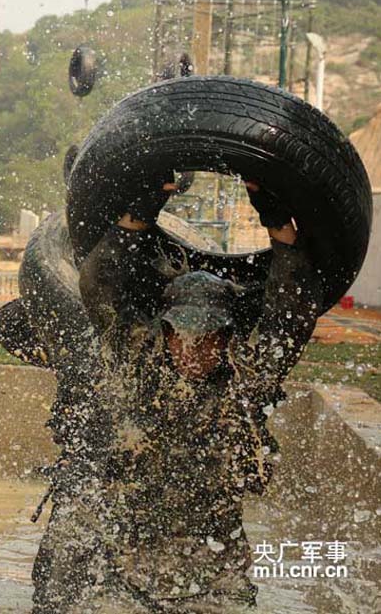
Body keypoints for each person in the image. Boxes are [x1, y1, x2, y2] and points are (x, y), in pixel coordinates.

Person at [32, 179, 322, 613]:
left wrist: (277, 221)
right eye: (182, 333)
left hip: (210, 565)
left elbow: (291, 316)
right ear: (164, 328)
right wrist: (143, 209)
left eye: (208, 337)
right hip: (119, 555)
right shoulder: (133, 355)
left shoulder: (245, 375)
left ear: (226, 337)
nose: (194, 348)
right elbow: (100, 286)